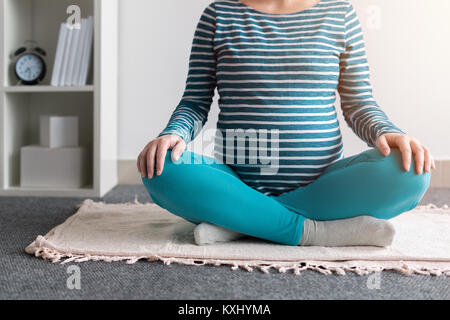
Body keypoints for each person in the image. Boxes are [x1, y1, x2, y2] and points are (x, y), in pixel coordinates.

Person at [137, 0, 434, 247]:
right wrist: (173, 133)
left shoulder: (340, 13)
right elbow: (195, 101)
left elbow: (359, 103)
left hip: (324, 185)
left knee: (411, 172)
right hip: (238, 184)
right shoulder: (218, 15)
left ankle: (243, 223)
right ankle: (313, 231)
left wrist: (388, 132)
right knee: (160, 167)